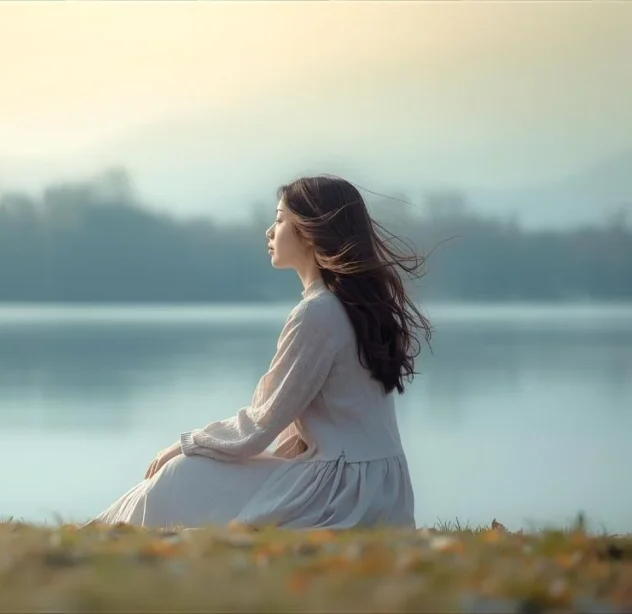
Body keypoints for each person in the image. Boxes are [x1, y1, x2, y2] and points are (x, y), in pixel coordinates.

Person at [89, 175, 432, 530]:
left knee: (182, 472)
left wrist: (186, 445)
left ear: (309, 233)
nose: (270, 231)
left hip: (344, 492)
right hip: (382, 489)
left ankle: (99, 536)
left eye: (281, 219)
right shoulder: (354, 307)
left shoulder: (318, 312)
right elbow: (288, 427)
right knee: (193, 473)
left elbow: (262, 423)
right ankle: (100, 533)